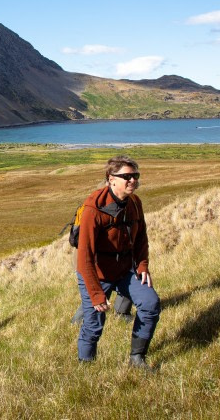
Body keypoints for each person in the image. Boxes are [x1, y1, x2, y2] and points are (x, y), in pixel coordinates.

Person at [76, 155, 160, 369]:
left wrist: (142, 266)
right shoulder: (93, 209)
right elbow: (85, 257)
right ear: (111, 179)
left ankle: (137, 358)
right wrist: (96, 295)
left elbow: (141, 237)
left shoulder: (135, 203)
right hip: (96, 273)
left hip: (124, 270)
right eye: (127, 176)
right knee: (95, 324)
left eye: (135, 176)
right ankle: (85, 366)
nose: (133, 180)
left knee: (150, 304)